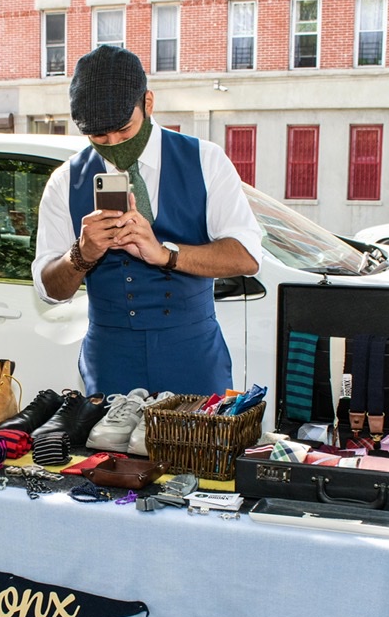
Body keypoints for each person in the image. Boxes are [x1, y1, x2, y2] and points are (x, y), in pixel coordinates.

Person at [32, 45, 263, 397]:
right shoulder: (65, 181)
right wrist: (82, 254)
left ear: (148, 103)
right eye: (99, 137)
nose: (113, 144)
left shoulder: (206, 160)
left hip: (193, 355)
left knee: (197, 452)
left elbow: (246, 257)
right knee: (108, 453)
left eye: (124, 131)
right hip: (109, 359)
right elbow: (50, 291)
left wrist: (166, 254)